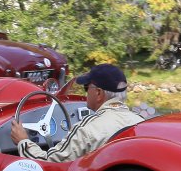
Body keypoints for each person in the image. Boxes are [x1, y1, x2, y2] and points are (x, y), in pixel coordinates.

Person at [9, 63, 143, 162]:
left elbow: (48, 162)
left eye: (86, 87)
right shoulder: (140, 121)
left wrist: (23, 142)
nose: (86, 92)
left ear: (98, 93)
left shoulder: (88, 129)